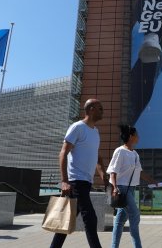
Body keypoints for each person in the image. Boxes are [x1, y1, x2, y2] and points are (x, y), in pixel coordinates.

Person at [50, 99, 105, 248]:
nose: (102, 111)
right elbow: (63, 153)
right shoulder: (77, 127)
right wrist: (64, 181)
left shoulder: (95, 131)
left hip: (86, 182)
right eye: (100, 108)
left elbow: (96, 156)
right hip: (76, 181)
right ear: (92, 109)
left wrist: (103, 175)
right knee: (90, 218)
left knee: (67, 221)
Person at [107, 125, 157, 248]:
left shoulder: (135, 154)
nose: (138, 137)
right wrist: (115, 187)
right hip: (121, 189)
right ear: (131, 137)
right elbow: (113, 171)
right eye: (137, 135)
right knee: (135, 215)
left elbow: (139, 172)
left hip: (131, 189)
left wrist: (151, 180)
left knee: (119, 221)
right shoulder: (120, 151)